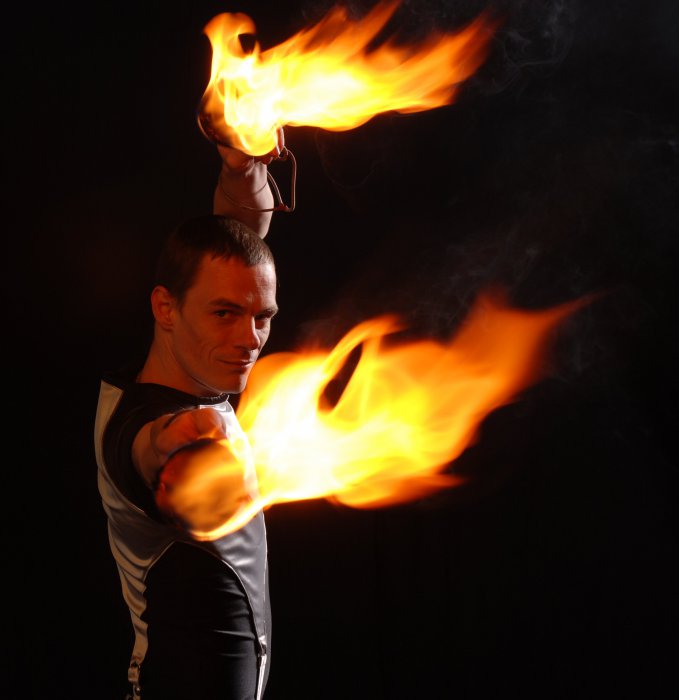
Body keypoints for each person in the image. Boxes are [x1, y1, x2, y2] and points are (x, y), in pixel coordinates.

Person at [94, 141, 281, 700]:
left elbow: (240, 233)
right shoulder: (141, 423)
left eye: (263, 317)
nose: (250, 340)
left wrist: (242, 166)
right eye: (226, 314)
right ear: (165, 308)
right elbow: (149, 449)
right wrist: (184, 444)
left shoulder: (184, 361)